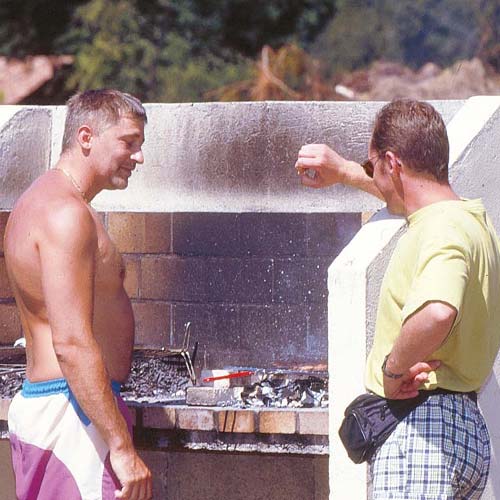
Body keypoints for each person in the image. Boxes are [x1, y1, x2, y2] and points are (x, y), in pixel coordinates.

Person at [295, 99, 500, 499]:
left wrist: (393, 371)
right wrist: (346, 172)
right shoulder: (472, 221)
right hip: (464, 427)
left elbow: (438, 312)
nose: (375, 176)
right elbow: (403, 193)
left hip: (424, 431)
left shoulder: (441, 229)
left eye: (375, 167)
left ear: (393, 163)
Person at [4, 89, 152, 500]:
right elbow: (70, 342)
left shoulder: (41, 201)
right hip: (74, 416)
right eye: (128, 142)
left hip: (66, 409)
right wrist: (121, 447)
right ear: (86, 137)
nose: (138, 157)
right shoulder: (65, 213)